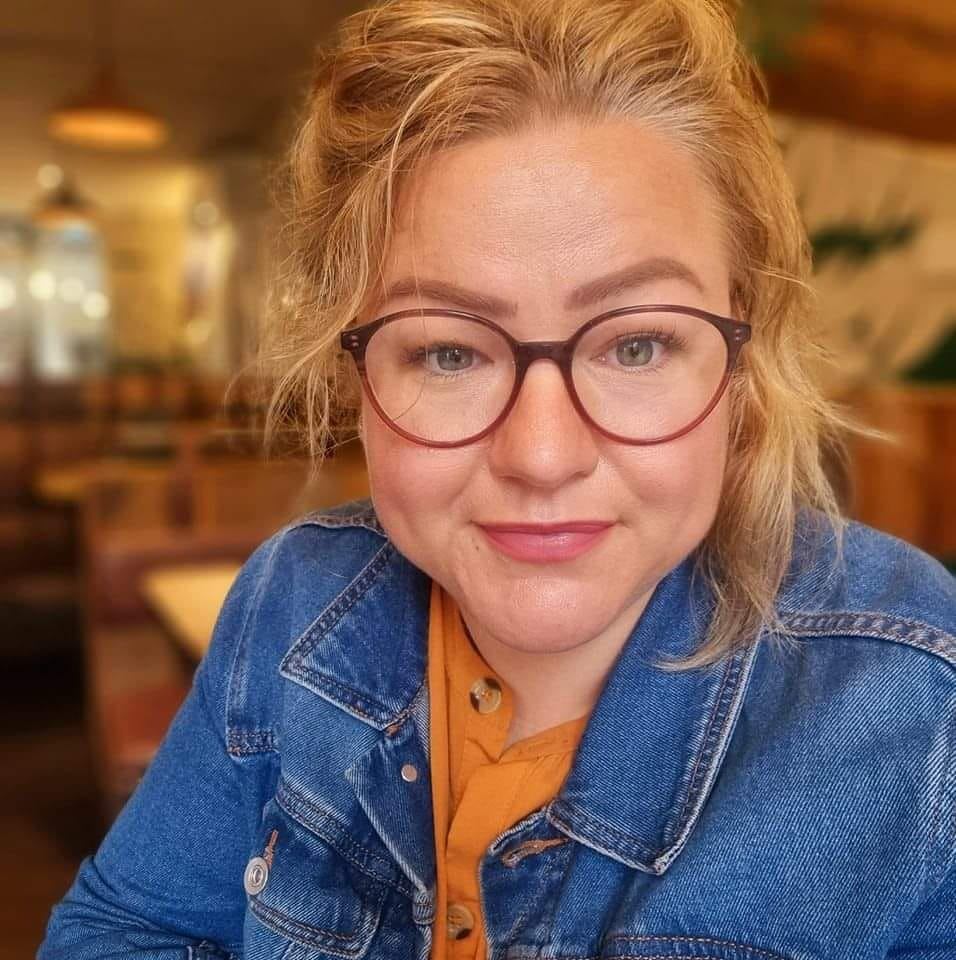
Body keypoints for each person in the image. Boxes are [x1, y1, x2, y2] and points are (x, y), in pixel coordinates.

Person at [41, 0, 955, 957]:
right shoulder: (290, 600)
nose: (542, 455)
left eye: (637, 343)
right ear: (353, 374)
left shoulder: (916, 703)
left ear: (744, 358)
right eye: (447, 353)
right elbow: (126, 924)